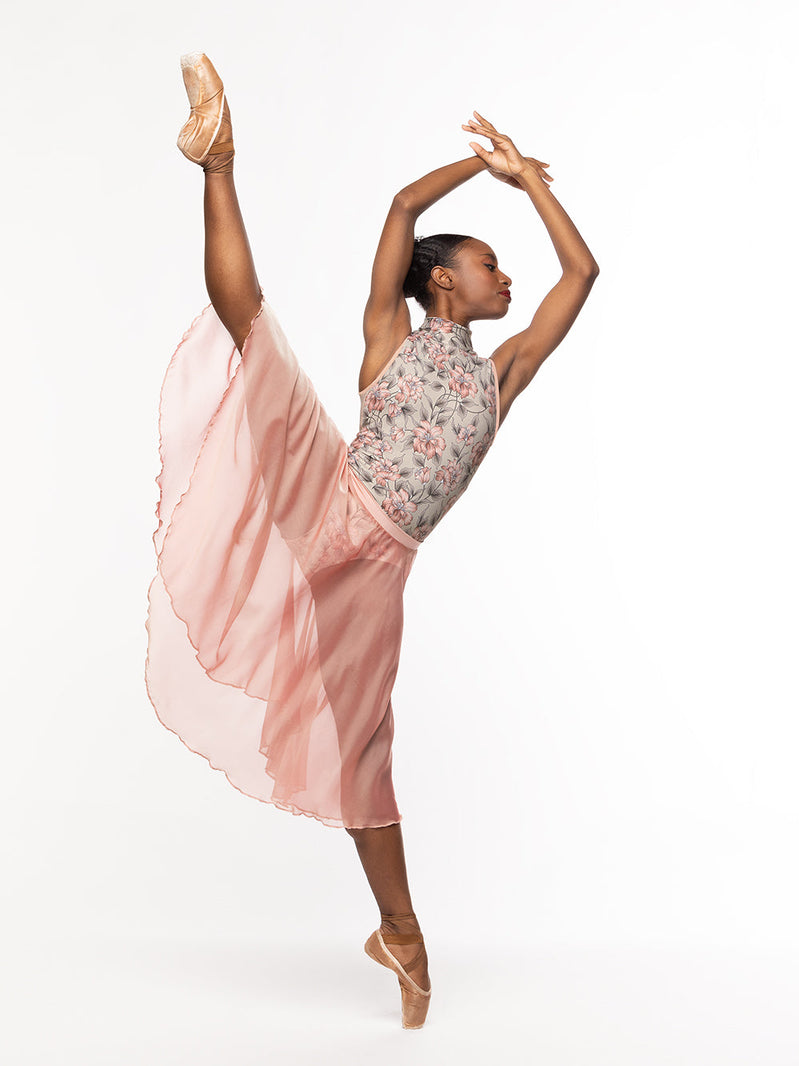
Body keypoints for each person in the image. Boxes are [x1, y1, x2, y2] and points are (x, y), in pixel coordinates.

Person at [145, 52, 599, 1030]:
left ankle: (400, 931)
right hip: (329, 490)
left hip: (373, 568)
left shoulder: (502, 373)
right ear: (441, 281)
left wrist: (529, 183)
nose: (505, 277)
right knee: (255, 333)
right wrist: (480, 167)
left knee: (359, 754)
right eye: (488, 264)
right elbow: (400, 208)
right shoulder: (388, 337)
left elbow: (582, 274)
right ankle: (218, 160)